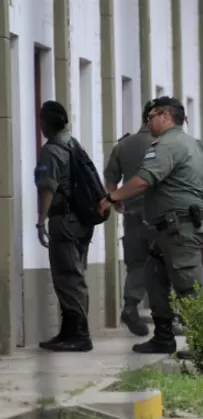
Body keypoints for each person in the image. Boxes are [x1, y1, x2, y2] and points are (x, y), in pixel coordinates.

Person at [98, 96, 203, 354]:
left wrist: (111, 197)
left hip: (179, 228)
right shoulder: (191, 144)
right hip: (166, 229)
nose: (149, 123)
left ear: (165, 116)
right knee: (154, 278)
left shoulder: (168, 145)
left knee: (188, 286)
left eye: (152, 117)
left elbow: (144, 180)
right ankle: (163, 337)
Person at [34, 100, 94, 351]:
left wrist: (41, 221)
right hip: (82, 221)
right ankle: (70, 331)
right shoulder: (73, 144)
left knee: (67, 277)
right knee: (75, 274)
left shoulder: (51, 150)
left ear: (46, 123)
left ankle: (79, 334)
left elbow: (48, 187)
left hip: (65, 221)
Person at [103, 100, 156, 337]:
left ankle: (131, 305)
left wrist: (116, 201)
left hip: (132, 214)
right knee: (161, 264)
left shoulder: (124, 145)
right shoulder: (164, 145)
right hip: (158, 215)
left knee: (136, 263)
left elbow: (111, 177)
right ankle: (166, 314)